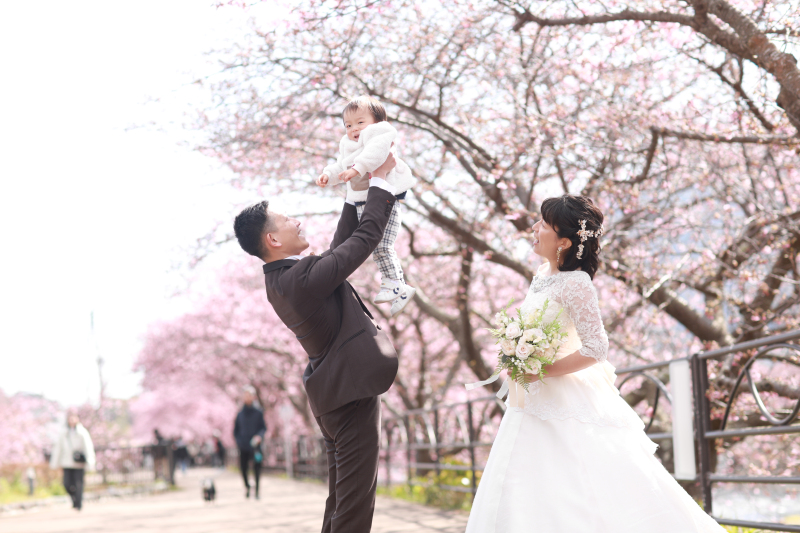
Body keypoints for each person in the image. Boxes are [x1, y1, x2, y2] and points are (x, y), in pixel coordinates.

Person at [465, 195, 726, 532]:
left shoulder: (577, 284)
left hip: (561, 394)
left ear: (564, 241)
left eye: (542, 224)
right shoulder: (542, 274)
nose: (534, 228)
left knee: (577, 483)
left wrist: (541, 369)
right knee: (526, 480)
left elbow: (596, 347)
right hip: (530, 399)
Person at [233, 154, 400, 533]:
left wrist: (353, 194)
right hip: (349, 393)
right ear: (273, 238)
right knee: (354, 507)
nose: (297, 220)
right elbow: (364, 240)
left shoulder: (283, 278)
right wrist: (381, 182)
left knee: (341, 501)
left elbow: (339, 250)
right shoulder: (299, 279)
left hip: (335, 395)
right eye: (288, 219)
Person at [316, 96, 416, 316]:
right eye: (348, 125)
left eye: (360, 122)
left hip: (386, 196)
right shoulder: (348, 143)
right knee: (373, 244)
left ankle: (397, 284)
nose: (354, 129)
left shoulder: (380, 133)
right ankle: (396, 285)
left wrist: (357, 168)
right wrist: (328, 174)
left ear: (377, 120)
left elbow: (376, 153)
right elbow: (341, 165)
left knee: (381, 243)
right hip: (364, 199)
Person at [49, 411, 95, 511]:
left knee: (79, 484)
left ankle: (78, 504)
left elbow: (88, 447)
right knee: (66, 483)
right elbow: (58, 449)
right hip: (67, 462)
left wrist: (90, 461)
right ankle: (75, 500)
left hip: (79, 463)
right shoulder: (63, 433)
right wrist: (54, 463)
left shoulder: (82, 432)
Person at [233, 387, 267, 499]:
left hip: (256, 445)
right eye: (245, 395)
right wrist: (239, 441)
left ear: (253, 396)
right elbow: (235, 431)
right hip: (243, 446)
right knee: (243, 468)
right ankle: (247, 486)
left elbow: (263, 428)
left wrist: (259, 437)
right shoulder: (239, 414)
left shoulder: (258, 412)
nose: (247, 397)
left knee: (257, 467)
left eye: (249, 395)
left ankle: (257, 491)